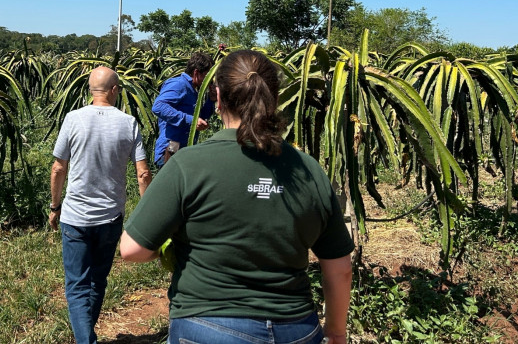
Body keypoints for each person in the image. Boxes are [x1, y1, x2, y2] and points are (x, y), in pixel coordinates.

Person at [120, 50, 354, 344]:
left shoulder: (187, 164)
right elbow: (340, 268)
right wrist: (335, 333)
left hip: (206, 324)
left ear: (217, 98)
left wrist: (166, 246)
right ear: (275, 98)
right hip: (295, 328)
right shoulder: (309, 170)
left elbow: (131, 250)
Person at [49, 66, 152, 344]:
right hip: (110, 218)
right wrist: (149, 215)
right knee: (97, 281)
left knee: (77, 286)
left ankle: (85, 339)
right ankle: (87, 335)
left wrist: (55, 206)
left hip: (75, 218)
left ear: (90, 90)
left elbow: (59, 168)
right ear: (115, 90)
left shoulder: (73, 119)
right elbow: (143, 173)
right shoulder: (129, 122)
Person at [152, 51, 216, 167]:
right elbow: (158, 106)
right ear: (196, 73)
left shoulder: (193, 90)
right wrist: (190, 120)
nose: (210, 81)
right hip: (170, 150)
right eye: (207, 76)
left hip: (182, 151)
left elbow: (199, 117)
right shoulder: (179, 84)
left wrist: (211, 100)